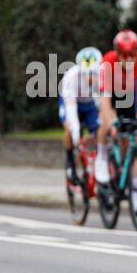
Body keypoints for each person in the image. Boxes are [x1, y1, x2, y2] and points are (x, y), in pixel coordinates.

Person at [59, 47, 115, 185]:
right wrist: (76, 132)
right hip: (72, 102)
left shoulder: (104, 76)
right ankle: (70, 164)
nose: (90, 78)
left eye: (93, 74)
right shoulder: (71, 77)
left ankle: (97, 163)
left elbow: (104, 105)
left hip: (90, 104)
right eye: (86, 74)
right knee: (70, 129)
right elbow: (71, 109)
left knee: (99, 130)